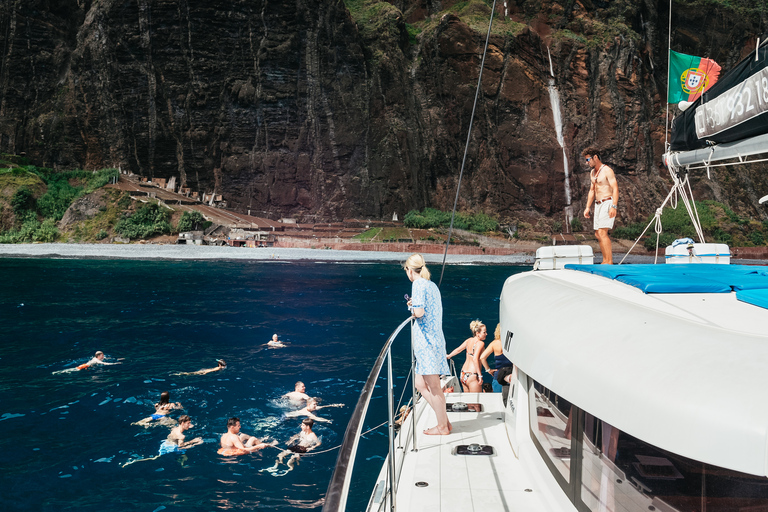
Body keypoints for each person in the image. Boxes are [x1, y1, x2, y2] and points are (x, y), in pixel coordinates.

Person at [403, 253, 451, 436]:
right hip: (434, 340)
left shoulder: (417, 284)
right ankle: (444, 420)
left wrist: (413, 308)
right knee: (419, 384)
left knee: (433, 386)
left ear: (409, 270)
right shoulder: (431, 286)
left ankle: (442, 427)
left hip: (427, 342)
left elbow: (420, 312)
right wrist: (415, 306)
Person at [582, 147, 619, 265]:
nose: (587, 162)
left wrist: (614, 206)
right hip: (598, 205)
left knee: (603, 233)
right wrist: (588, 207)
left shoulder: (607, 170)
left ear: (595, 157)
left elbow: (615, 188)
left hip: (608, 202)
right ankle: (605, 260)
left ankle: (609, 262)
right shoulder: (592, 173)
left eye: (588, 159)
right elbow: (592, 191)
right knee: (598, 234)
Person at [447, 320, 487, 393]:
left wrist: (449, 356)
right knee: (475, 403)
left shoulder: (469, 340)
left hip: (463, 374)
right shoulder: (480, 343)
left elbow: (458, 350)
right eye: (484, 332)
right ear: (478, 333)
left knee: (468, 402)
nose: (486, 334)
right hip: (472, 375)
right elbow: (475, 359)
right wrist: (480, 375)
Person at [479, 323, 513, 393]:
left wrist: (488, 370)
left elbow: (482, 357)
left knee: (498, 399)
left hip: (498, 375)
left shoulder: (494, 343)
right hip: (512, 375)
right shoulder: (513, 343)